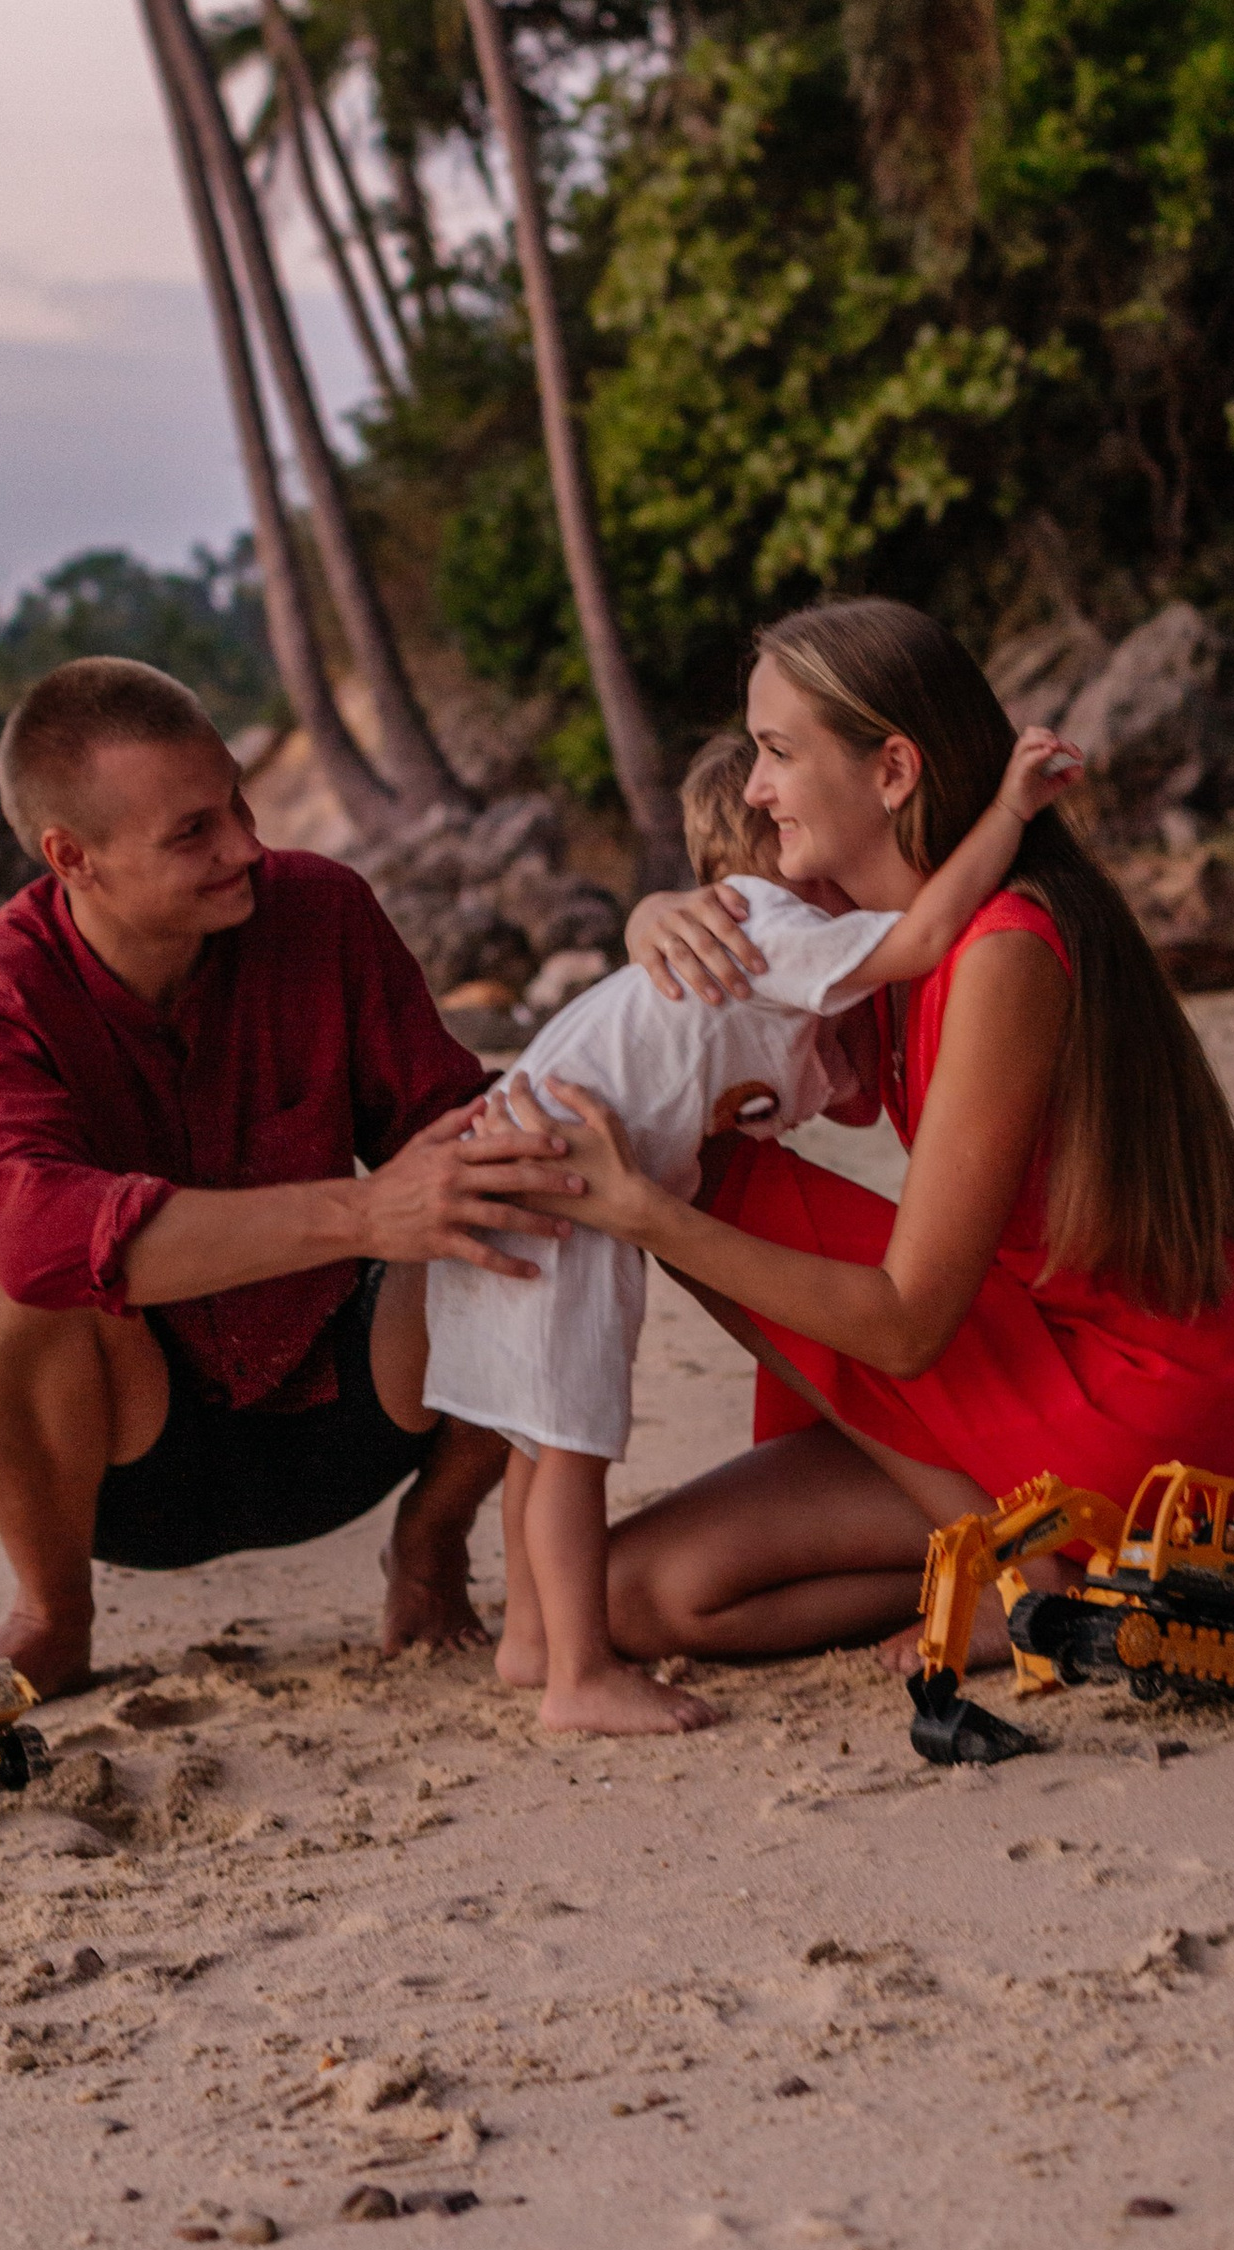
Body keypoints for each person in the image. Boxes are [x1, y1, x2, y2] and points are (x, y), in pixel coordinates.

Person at [528, 598, 1234, 1670]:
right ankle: (1033, 1568)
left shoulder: (1001, 954)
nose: (753, 786)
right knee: (646, 1600)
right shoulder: (866, 943)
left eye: (778, 752)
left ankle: (1029, 1561)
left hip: (1124, 1404)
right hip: (1026, 1352)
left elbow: (904, 1326)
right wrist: (653, 918)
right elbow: (729, 1014)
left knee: (694, 1178)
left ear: (891, 772)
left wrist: (643, 1212)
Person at [391, 713, 1084, 1736]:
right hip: (562, 1183)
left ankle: (534, 1637)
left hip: (515, 1161)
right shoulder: (771, 924)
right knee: (573, 1438)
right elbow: (926, 937)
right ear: (782, 860)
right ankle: (574, 1674)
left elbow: (834, 1090)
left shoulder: (728, 944)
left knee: (539, 1436)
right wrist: (1009, 810)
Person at [0, 656, 576, 1695]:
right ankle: (51, 1613)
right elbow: (39, 1234)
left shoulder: (319, 911)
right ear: (70, 856)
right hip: (127, 1469)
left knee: (524, 1181)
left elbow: (447, 1122)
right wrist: (362, 1211)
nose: (246, 846)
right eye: (193, 833)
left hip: (355, 1414)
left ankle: (431, 1543)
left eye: (236, 799)